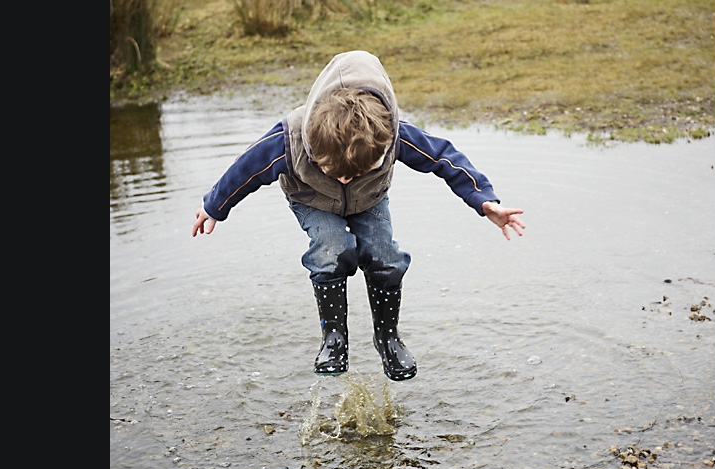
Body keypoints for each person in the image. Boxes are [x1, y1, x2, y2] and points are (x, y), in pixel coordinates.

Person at [192, 50, 525, 381]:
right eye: (333, 171)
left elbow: (442, 157)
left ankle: (388, 338)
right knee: (331, 247)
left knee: (387, 257)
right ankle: (334, 339)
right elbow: (245, 170)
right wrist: (215, 207)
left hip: (370, 200)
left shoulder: (391, 134)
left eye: (355, 172)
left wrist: (483, 200)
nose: (344, 179)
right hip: (313, 200)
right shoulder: (289, 139)